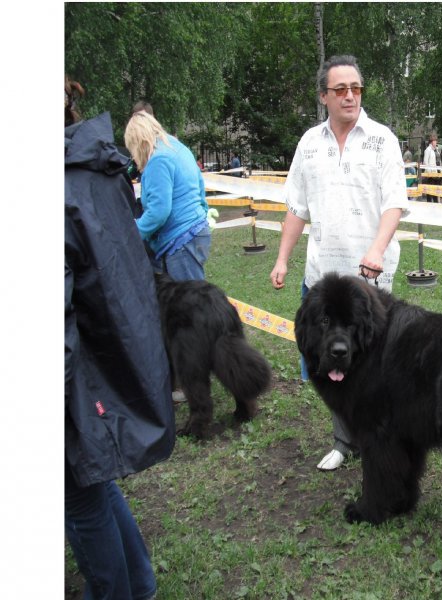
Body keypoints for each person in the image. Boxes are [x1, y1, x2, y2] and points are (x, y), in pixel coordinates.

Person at [269, 54, 409, 471]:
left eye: (356, 88)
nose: (350, 96)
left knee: (373, 366)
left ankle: (377, 439)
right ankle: (342, 441)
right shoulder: (309, 144)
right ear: (323, 96)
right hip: (322, 281)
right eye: (341, 89)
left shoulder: (383, 139)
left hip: (370, 283)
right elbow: (296, 208)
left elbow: (394, 203)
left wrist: (377, 250)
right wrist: (281, 259)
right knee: (329, 359)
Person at [65, 75, 175, 600]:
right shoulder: (97, 167)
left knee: (79, 494)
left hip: (80, 365)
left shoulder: (70, 178)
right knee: (93, 481)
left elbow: (154, 215)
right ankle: (140, 587)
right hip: (103, 350)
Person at [124, 111, 211, 281]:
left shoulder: (158, 159)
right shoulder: (178, 148)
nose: (134, 156)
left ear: (138, 142)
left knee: (187, 302)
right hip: (197, 230)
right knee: (192, 296)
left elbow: (159, 212)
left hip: (180, 239)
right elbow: (200, 189)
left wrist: (132, 232)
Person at [423, 132, 441, 202]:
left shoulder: (435, 150)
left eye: (436, 141)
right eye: (435, 141)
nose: (436, 142)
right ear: (431, 142)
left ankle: (436, 203)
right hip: (430, 175)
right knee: (429, 191)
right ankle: (429, 204)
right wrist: (429, 173)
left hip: (435, 173)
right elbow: (425, 162)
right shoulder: (427, 150)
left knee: (435, 190)